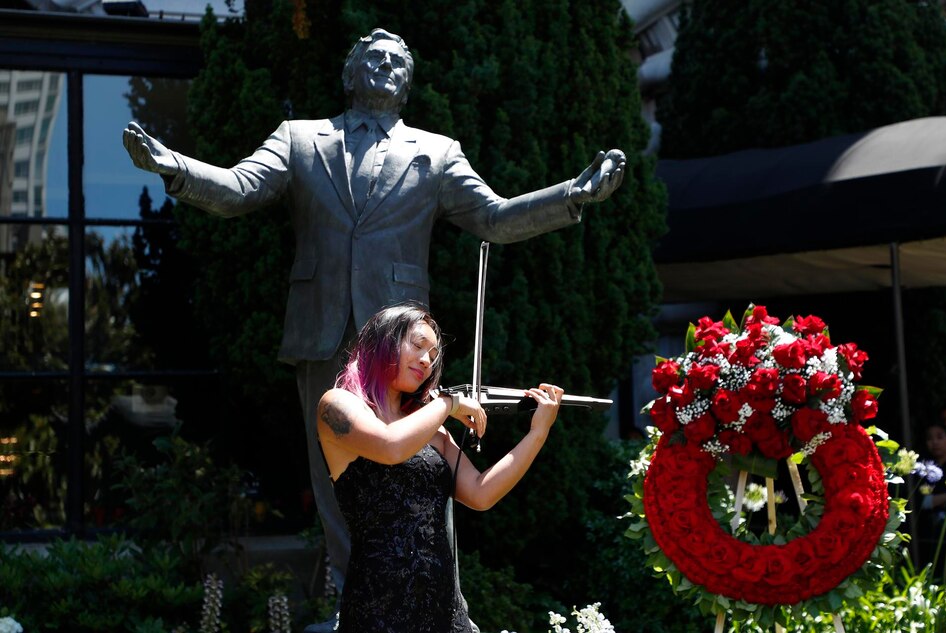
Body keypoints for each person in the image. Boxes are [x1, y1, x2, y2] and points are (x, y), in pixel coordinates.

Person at [122, 27, 624, 631]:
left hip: (401, 346)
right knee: (340, 483)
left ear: (408, 82)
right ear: (350, 74)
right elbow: (238, 188)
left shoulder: (437, 153)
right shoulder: (301, 139)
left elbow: (493, 217)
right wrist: (173, 166)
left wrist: (574, 194)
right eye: (372, 58)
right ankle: (352, 605)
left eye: (396, 61)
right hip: (323, 335)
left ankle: (440, 607)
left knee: (425, 472)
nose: (384, 66)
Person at [317, 302, 562, 632]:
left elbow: (480, 493)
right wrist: (448, 404)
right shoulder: (337, 404)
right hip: (378, 606)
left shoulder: (434, 429)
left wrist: (538, 432)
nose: (426, 361)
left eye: (433, 355)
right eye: (418, 346)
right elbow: (390, 446)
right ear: (384, 341)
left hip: (445, 608)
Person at [920, 421, 946, 572]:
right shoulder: (924, 470)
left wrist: (939, 499)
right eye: (930, 438)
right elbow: (924, 502)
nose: (935, 442)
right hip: (929, 535)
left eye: (940, 437)